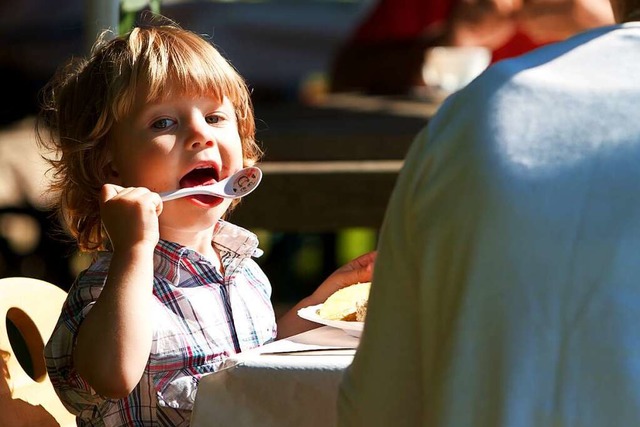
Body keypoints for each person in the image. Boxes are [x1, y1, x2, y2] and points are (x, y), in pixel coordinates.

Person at [36, 19, 375, 426]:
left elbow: (252, 363)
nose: (200, 135)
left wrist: (323, 301)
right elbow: (112, 376)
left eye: (215, 118)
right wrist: (134, 249)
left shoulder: (242, 270)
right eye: (163, 123)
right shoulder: (110, 286)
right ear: (110, 164)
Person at [338, 0, 640, 425]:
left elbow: (378, 403)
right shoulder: (469, 94)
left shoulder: (477, 111)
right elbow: (346, 72)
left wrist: (593, 23)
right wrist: (452, 39)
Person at [329, 0, 614, 94]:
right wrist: (452, 43)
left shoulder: (609, 9)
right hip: (451, 184)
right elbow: (345, 78)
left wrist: (605, 24)